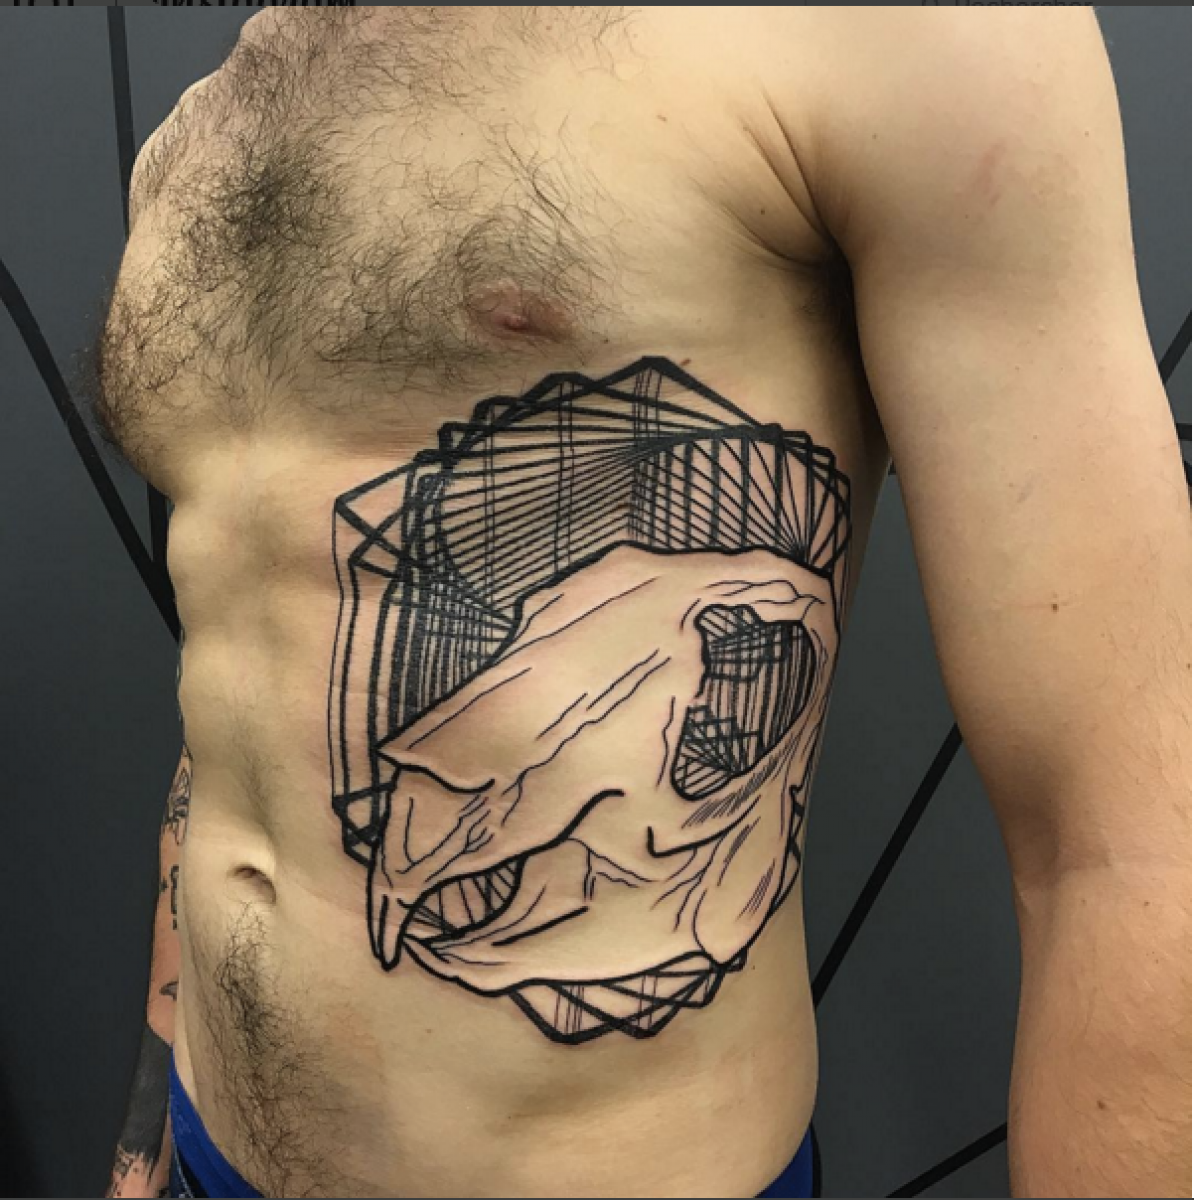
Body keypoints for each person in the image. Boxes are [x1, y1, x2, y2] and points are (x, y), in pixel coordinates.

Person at [96, 8, 1190, 1199]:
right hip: (205, 1151)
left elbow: (1129, 842)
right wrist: (145, 1144)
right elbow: (242, 699)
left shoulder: (904, 31)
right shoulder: (226, 109)